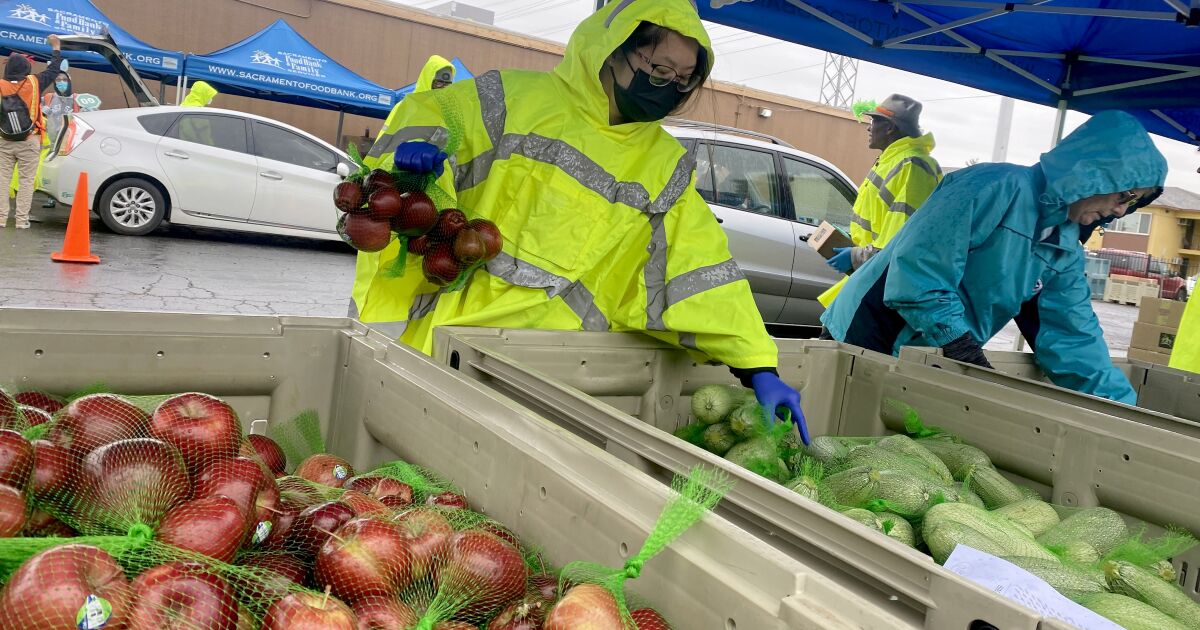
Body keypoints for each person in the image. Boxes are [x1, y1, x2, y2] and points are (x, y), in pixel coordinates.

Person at [352, 0, 809, 442]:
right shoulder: (512, 100)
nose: (669, 87)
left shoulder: (665, 166)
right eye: (660, 70)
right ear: (612, 49)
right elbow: (429, 121)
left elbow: (700, 267)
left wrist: (757, 366)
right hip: (452, 338)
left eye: (684, 80)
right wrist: (410, 166)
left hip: (555, 365)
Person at [821, 110, 1166, 404]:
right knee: (840, 436)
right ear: (1093, 174)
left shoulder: (1063, 248)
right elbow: (918, 273)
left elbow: (1073, 339)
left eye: (1133, 204)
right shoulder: (993, 186)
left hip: (933, 351)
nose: (1121, 211)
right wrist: (961, 347)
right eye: (1126, 195)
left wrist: (1127, 412)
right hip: (870, 330)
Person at [351, 55, 457, 317]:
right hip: (395, 221)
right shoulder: (407, 108)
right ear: (426, 77)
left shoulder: (456, 117)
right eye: (438, 78)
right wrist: (399, 163)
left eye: (448, 80)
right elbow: (377, 162)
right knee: (380, 301)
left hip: (433, 224)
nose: (443, 84)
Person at [819, 94, 941, 307]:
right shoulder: (893, 161)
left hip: (884, 282)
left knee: (838, 337)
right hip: (871, 275)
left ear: (890, 128)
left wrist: (857, 256)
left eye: (874, 121)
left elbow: (901, 239)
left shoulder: (912, 166)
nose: (869, 128)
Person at [0, 35, 62, 229]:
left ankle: (1, 219)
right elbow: (54, 70)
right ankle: (21, 220)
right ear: (26, 69)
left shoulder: (0, 86)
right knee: (26, 181)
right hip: (30, 139)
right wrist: (56, 47)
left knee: (2, 180)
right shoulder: (35, 83)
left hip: (4, 140)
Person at [37, 62, 79, 208]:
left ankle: (70, 197)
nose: (61, 83)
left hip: (69, 141)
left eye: (64, 80)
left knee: (67, 169)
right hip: (51, 140)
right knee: (49, 170)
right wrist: (44, 110)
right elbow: (37, 110)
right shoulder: (48, 97)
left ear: (69, 81)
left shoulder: (76, 98)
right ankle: (51, 198)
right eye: (58, 80)